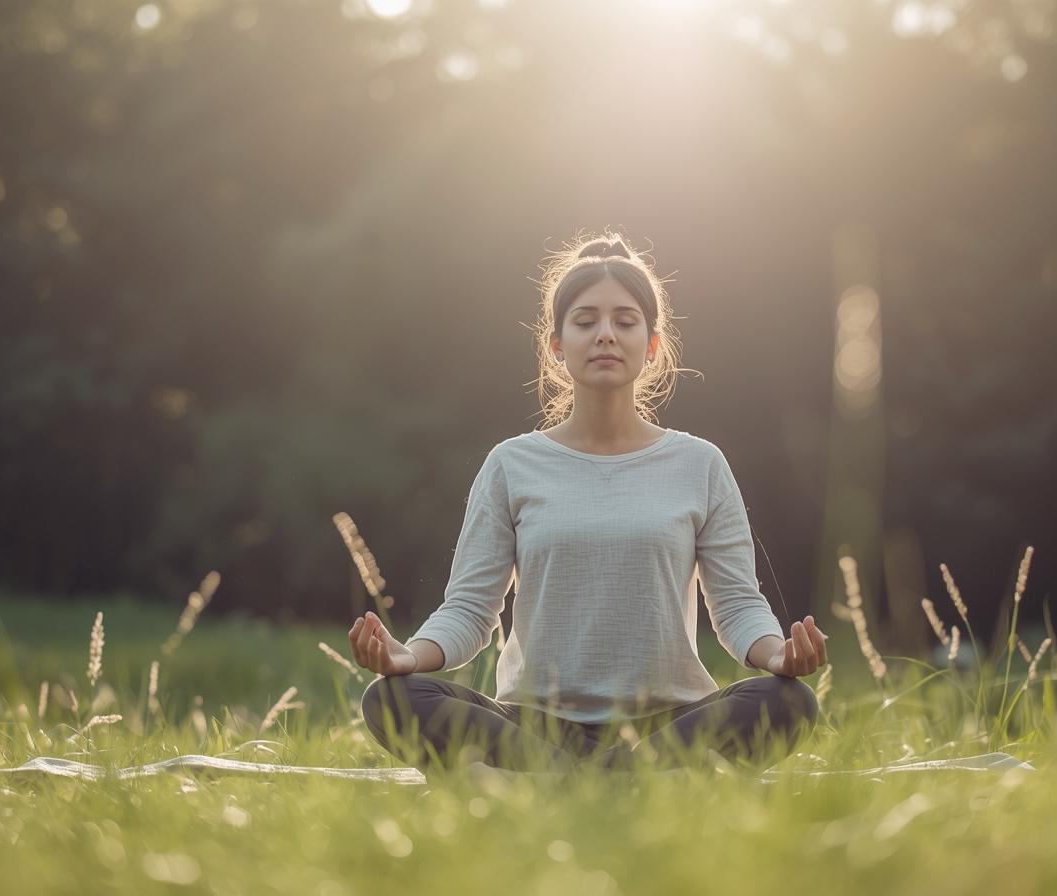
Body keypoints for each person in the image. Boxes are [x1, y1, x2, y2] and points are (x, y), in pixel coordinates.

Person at [351, 232, 828, 775]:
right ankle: (634, 784)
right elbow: (468, 611)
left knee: (788, 701)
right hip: (534, 727)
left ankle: (552, 787)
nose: (605, 335)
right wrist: (406, 657)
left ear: (652, 344)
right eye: (585, 321)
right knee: (391, 698)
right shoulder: (511, 464)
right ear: (556, 344)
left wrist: (779, 657)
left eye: (625, 321)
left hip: (668, 724)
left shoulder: (701, 464)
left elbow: (738, 607)